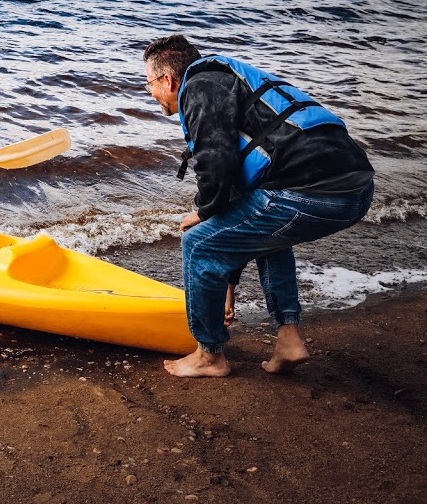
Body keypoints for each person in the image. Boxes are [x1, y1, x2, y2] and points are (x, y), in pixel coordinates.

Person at [143, 34, 374, 378]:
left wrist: (202, 212)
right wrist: (229, 289)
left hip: (311, 194)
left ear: (168, 80)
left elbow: (216, 164)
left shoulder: (199, 87)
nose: (150, 93)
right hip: (355, 189)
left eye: (148, 84)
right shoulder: (226, 81)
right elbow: (242, 208)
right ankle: (289, 339)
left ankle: (209, 355)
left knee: (197, 243)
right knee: (269, 237)